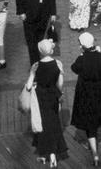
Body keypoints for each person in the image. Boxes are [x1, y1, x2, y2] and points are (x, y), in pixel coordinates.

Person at [71, 31, 101, 165]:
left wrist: (82, 55)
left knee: (89, 121)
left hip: (86, 92)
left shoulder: (81, 59)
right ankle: (94, 144)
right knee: (96, 117)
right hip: (100, 90)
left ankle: (94, 152)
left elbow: (74, 68)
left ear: (82, 46)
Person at [29, 38, 68, 168]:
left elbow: (29, 86)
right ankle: (53, 153)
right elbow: (60, 83)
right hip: (53, 95)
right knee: (54, 122)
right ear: (51, 50)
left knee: (42, 122)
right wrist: (59, 93)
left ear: (40, 52)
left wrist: (32, 73)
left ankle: (46, 151)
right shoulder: (58, 64)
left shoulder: (36, 65)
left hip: (40, 96)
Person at [15, 0, 58, 65]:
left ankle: (38, 61)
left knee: (39, 39)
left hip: (44, 14)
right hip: (29, 13)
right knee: (31, 42)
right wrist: (21, 12)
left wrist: (53, 13)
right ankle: (35, 64)